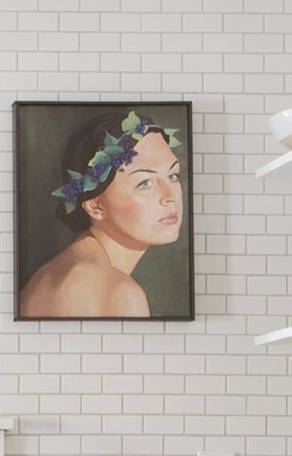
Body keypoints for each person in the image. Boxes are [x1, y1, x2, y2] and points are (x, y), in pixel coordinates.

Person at [18, 108, 183, 317]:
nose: (170, 196)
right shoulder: (118, 293)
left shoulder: (56, 273)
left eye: (173, 176)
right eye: (145, 183)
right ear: (96, 206)